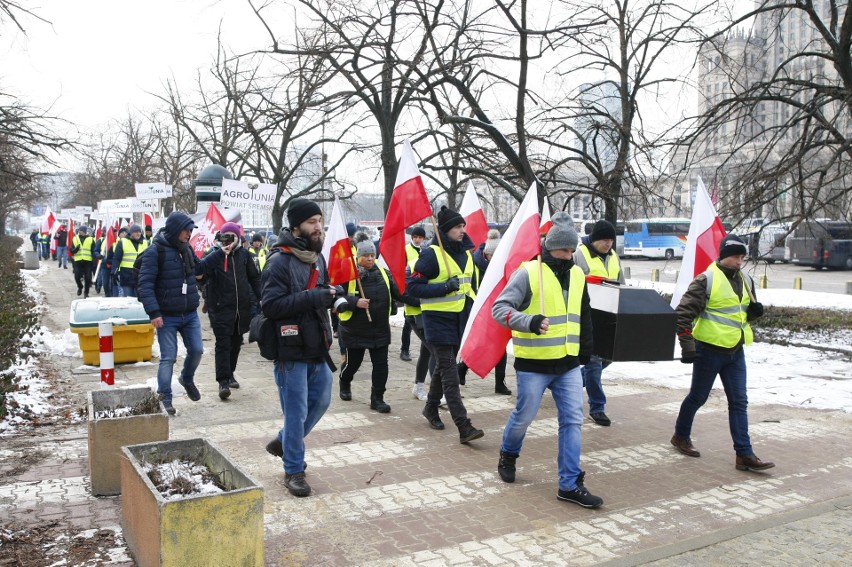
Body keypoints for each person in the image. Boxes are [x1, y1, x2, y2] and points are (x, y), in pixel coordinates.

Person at [491, 215, 602, 509]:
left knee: (573, 421)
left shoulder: (577, 273)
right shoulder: (528, 273)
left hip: (568, 364)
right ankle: (508, 453)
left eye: (572, 250)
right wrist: (530, 321)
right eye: (565, 250)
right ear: (551, 248)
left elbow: (584, 315)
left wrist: (586, 352)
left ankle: (569, 484)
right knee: (524, 416)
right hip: (534, 364)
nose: (570, 255)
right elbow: (499, 308)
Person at [671, 234, 775, 472]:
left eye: (742, 257)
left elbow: (739, 313)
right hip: (708, 350)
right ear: (724, 256)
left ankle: (744, 454)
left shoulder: (746, 279)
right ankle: (680, 435)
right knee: (698, 397)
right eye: (735, 257)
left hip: (736, 351)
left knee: (739, 402)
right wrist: (687, 346)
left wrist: (754, 313)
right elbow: (682, 315)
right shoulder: (705, 280)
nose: (739, 262)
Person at [262, 198, 338, 497]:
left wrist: (336, 297)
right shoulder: (278, 261)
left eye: (320, 221)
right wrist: (314, 298)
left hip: (316, 343)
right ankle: (294, 469)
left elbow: (323, 291)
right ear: (296, 227)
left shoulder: (317, 258)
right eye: (311, 222)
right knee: (296, 412)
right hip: (289, 347)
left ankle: (284, 441)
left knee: (321, 401)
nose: (318, 227)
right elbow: (270, 306)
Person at [407, 206, 484, 444]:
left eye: (463, 227)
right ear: (446, 230)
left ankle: (430, 408)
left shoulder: (466, 254)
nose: (462, 231)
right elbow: (412, 288)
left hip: (459, 320)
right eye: (458, 227)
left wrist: (473, 308)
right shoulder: (430, 254)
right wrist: (444, 287)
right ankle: (464, 425)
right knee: (450, 372)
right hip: (436, 322)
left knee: (442, 368)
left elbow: (469, 287)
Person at [137, 212, 204, 417]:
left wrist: (220, 253)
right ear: (176, 229)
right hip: (166, 316)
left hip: (189, 313)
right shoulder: (155, 251)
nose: (189, 233)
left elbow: (199, 270)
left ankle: (187, 378)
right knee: (168, 357)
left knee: (197, 350)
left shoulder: (187, 249)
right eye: (186, 230)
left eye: (191, 230)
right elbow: (145, 285)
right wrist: (154, 312)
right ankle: (164, 397)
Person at [334, 239, 409, 413]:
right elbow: (337, 298)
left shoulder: (384, 272)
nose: (369, 259)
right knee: (353, 363)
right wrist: (355, 302)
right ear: (358, 257)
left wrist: (420, 300)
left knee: (382, 365)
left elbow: (399, 293)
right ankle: (344, 381)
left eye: (372, 255)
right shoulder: (349, 274)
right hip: (356, 329)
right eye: (366, 256)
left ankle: (377, 398)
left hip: (380, 328)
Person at [195, 222, 261, 401]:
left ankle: (230, 373)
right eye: (226, 236)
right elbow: (200, 276)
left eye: (233, 237)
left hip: (241, 309)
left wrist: (263, 297)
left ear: (238, 238)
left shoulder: (245, 255)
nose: (230, 241)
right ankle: (223, 381)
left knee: (236, 341)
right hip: (220, 308)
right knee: (223, 343)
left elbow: (255, 279)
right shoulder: (214, 255)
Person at [573, 219, 626, 426]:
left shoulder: (614, 257)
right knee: (594, 363)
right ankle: (597, 408)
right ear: (594, 239)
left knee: (608, 358)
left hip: (609, 315)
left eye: (611, 240)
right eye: (604, 240)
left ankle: (570, 380)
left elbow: (621, 283)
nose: (608, 244)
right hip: (589, 315)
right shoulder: (579, 254)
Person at [458, 229, 512, 395]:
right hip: (480, 309)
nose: (495, 260)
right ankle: (462, 367)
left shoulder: (502, 266)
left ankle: (499, 382)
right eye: (492, 256)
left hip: (500, 308)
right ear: (486, 254)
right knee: (479, 343)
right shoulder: (475, 265)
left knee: (500, 344)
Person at [400, 226, 427, 362]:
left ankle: (426, 349)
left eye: (420, 237)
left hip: (422, 289)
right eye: (415, 237)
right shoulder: (406, 250)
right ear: (412, 238)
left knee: (423, 324)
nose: (417, 240)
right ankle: (404, 349)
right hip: (409, 289)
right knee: (408, 323)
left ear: (424, 238)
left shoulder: (426, 250)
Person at [112, 224, 148, 297]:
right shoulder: (122, 242)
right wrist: (114, 271)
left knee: (139, 300)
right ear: (131, 233)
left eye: (139, 232)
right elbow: (116, 258)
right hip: (126, 275)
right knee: (128, 299)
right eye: (136, 232)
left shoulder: (145, 242)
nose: (138, 233)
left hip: (140, 275)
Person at [70, 226, 95, 298]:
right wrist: (76, 249)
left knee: (88, 278)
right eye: (79, 231)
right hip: (78, 261)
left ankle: (86, 293)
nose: (80, 232)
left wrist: (94, 262)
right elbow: (71, 250)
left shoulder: (91, 239)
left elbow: (93, 251)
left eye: (81, 231)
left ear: (85, 231)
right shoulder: (75, 239)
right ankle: (80, 286)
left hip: (88, 261)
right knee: (77, 276)